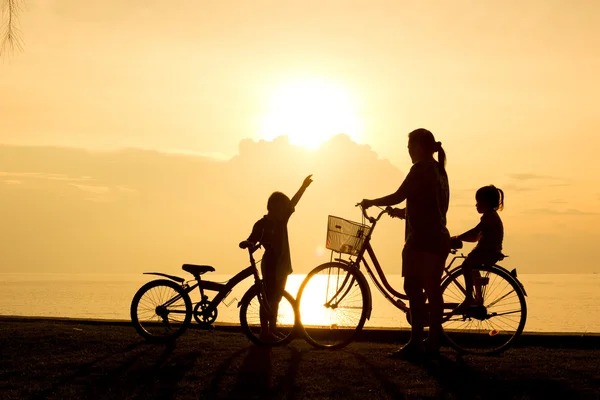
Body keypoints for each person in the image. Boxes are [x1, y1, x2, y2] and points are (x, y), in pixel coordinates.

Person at [360, 128, 449, 360]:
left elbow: (399, 194)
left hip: (420, 239)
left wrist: (372, 201)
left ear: (419, 145)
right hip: (440, 237)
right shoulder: (440, 171)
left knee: (413, 289)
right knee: (433, 291)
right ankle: (434, 341)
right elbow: (432, 204)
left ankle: (416, 342)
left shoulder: (419, 169)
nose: (408, 150)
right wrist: (403, 213)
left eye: (410, 145)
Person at [244, 174, 313, 341]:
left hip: (283, 266)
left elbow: (293, 203)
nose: (285, 209)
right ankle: (265, 330)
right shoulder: (262, 224)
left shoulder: (282, 221)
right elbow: (252, 238)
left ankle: (272, 328)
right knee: (267, 298)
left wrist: (303, 187)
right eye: (281, 207)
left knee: (277, 299)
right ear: (272, 207)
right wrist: (248, 243)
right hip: (270, 265)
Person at [452, 185, 505, 311]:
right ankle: (478, 299)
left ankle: (469, 297)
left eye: (478, 202)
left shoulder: (489, 217)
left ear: (485, 203)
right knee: (473, 269)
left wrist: (457, 237)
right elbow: (475, 237)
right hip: (491, 251)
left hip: (486, 251)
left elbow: (475, 232)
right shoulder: (492, 216)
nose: (476, 205)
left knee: (466, 266)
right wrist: (459, 238)